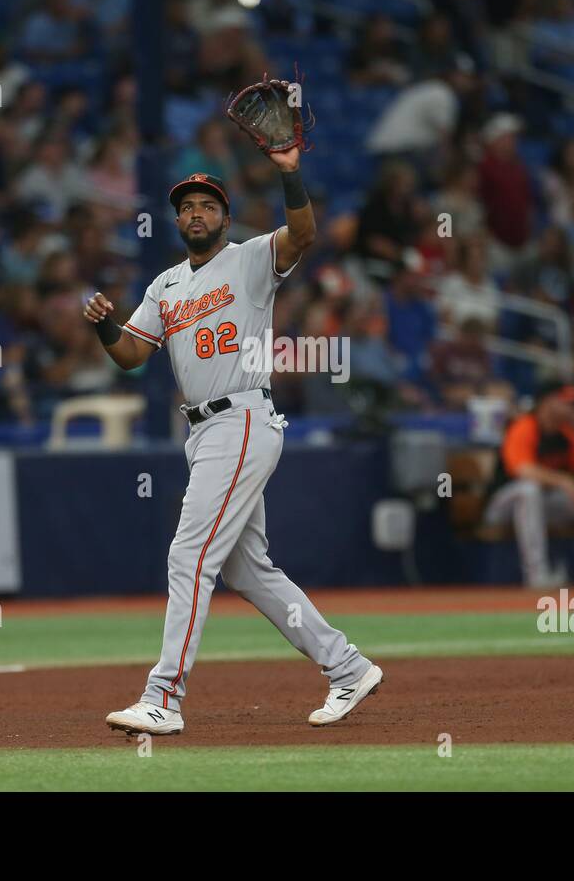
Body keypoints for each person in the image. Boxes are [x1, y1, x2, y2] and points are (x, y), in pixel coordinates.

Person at [85, 143, 381, 736]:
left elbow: (303, 233)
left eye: (207, 206)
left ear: (225, 215)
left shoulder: (249, 260)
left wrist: (291, 174)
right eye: (187, 207)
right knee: (248, 571)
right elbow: (132, 357)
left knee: (188, 556)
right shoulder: (165, 285)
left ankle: (163, 695)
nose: (196, 214)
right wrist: (105, 327)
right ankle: (348, 666)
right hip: (204, 431)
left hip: (241, 418)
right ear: (177, 220)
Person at [483, 380, 574, 587]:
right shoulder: (524, 426)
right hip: (502, 506)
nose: (572, 408)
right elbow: (523, 471)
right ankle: (537, 576)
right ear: (547, 403)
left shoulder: (567, 432)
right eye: (565, 401)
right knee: (529, 490)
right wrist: (562, 480)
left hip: (543, 504)